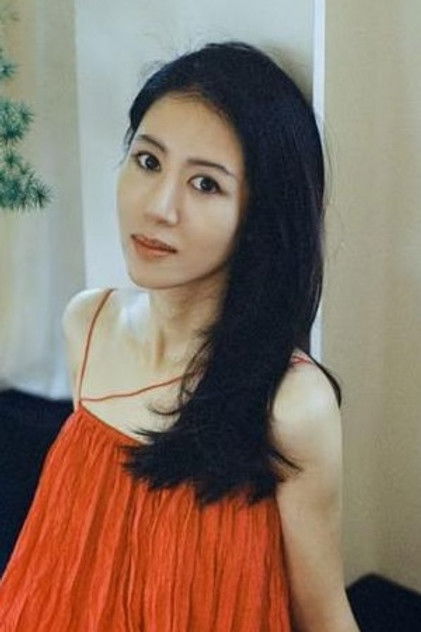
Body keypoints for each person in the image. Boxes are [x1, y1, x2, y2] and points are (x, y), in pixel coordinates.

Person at [0, 40, 360, 631]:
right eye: (148, 161)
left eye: (206, 185)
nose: (159, 207)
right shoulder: (87, 323)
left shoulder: (292, 403)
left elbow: (321, 614)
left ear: (258, 216)